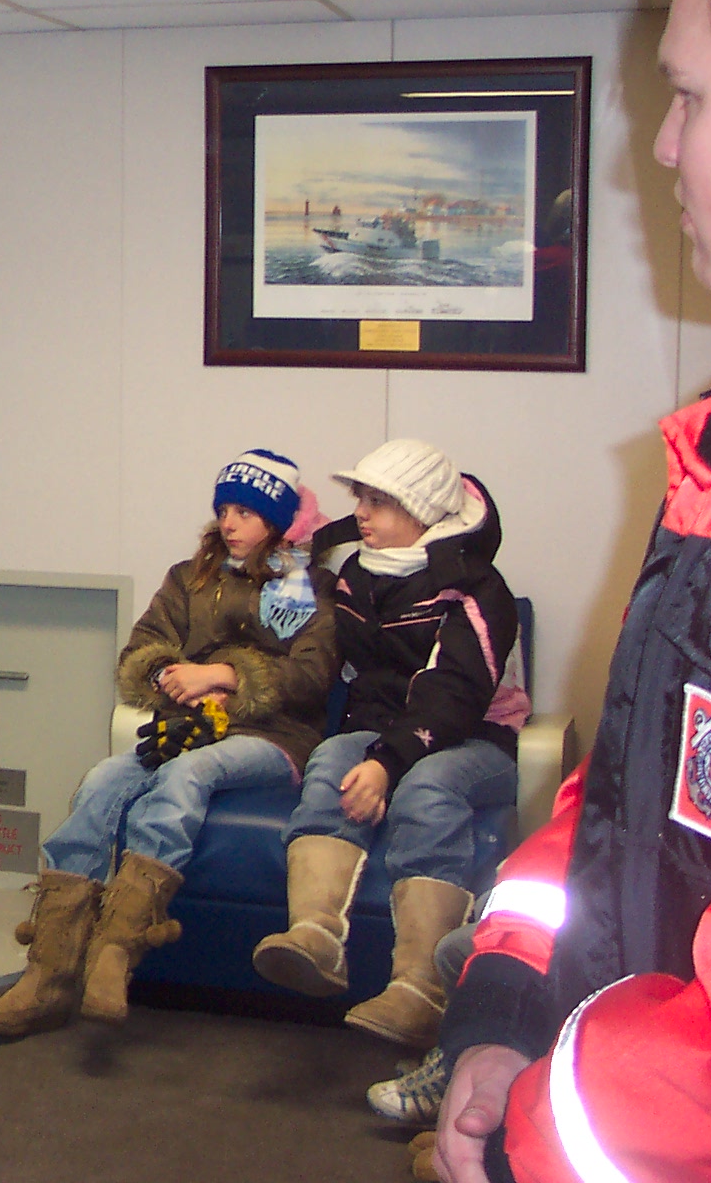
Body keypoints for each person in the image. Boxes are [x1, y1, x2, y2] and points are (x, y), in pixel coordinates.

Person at [426, 0, 711, 1183]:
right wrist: (510, 1002)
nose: (656, 146)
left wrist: (546, 1128)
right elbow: (621, 802)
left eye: (689, 96)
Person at [0, 450, 337, 1038]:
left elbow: (311, 676)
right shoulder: (187, 577)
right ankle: (49, 973)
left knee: (185, 776)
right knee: (101, 780)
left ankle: (116, 951)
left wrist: (223, 676)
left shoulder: (310, 587)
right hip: (184, 727)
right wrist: (172, 675)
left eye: (245, 512)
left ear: (278, 521)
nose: (229, 523)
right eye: (224, 509)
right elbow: (142, 649)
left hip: (274, 737)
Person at [252, 439, 523, 1053]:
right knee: (331, 759)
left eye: (378, 502)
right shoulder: (358, 573)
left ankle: (421, 989)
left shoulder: (475, 586)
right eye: (361, 499)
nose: (362, 514)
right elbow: (353, 675)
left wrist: (387, 762)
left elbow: (455, 695)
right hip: (386, 733)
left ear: (421, 510)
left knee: (427, 786)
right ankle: (316, 937)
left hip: (476, 739)